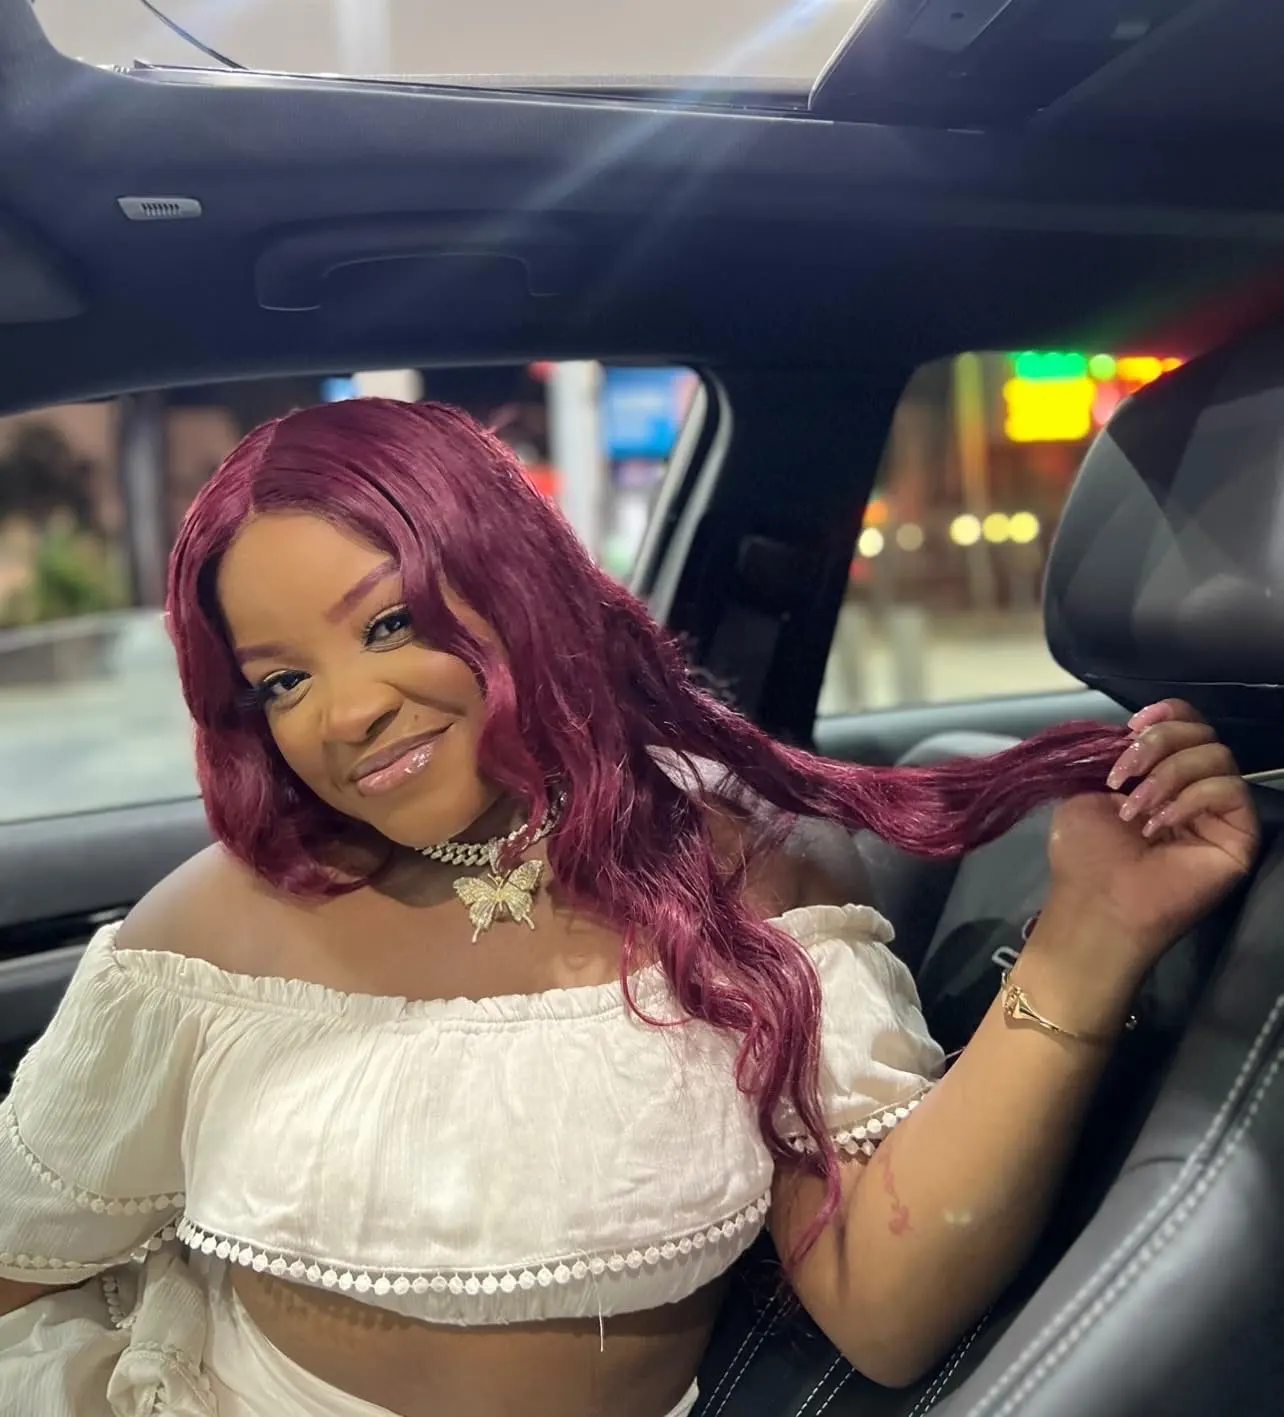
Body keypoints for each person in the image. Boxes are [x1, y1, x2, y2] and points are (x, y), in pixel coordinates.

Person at [0, 399, 1258, 1417]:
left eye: (390, 622)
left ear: (513, 583)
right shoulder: (206, 935)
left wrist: (1090, 940)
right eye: (281, 682)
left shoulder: (741, 873)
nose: (347, 712)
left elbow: (883, 1305)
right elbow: (21, 1255)